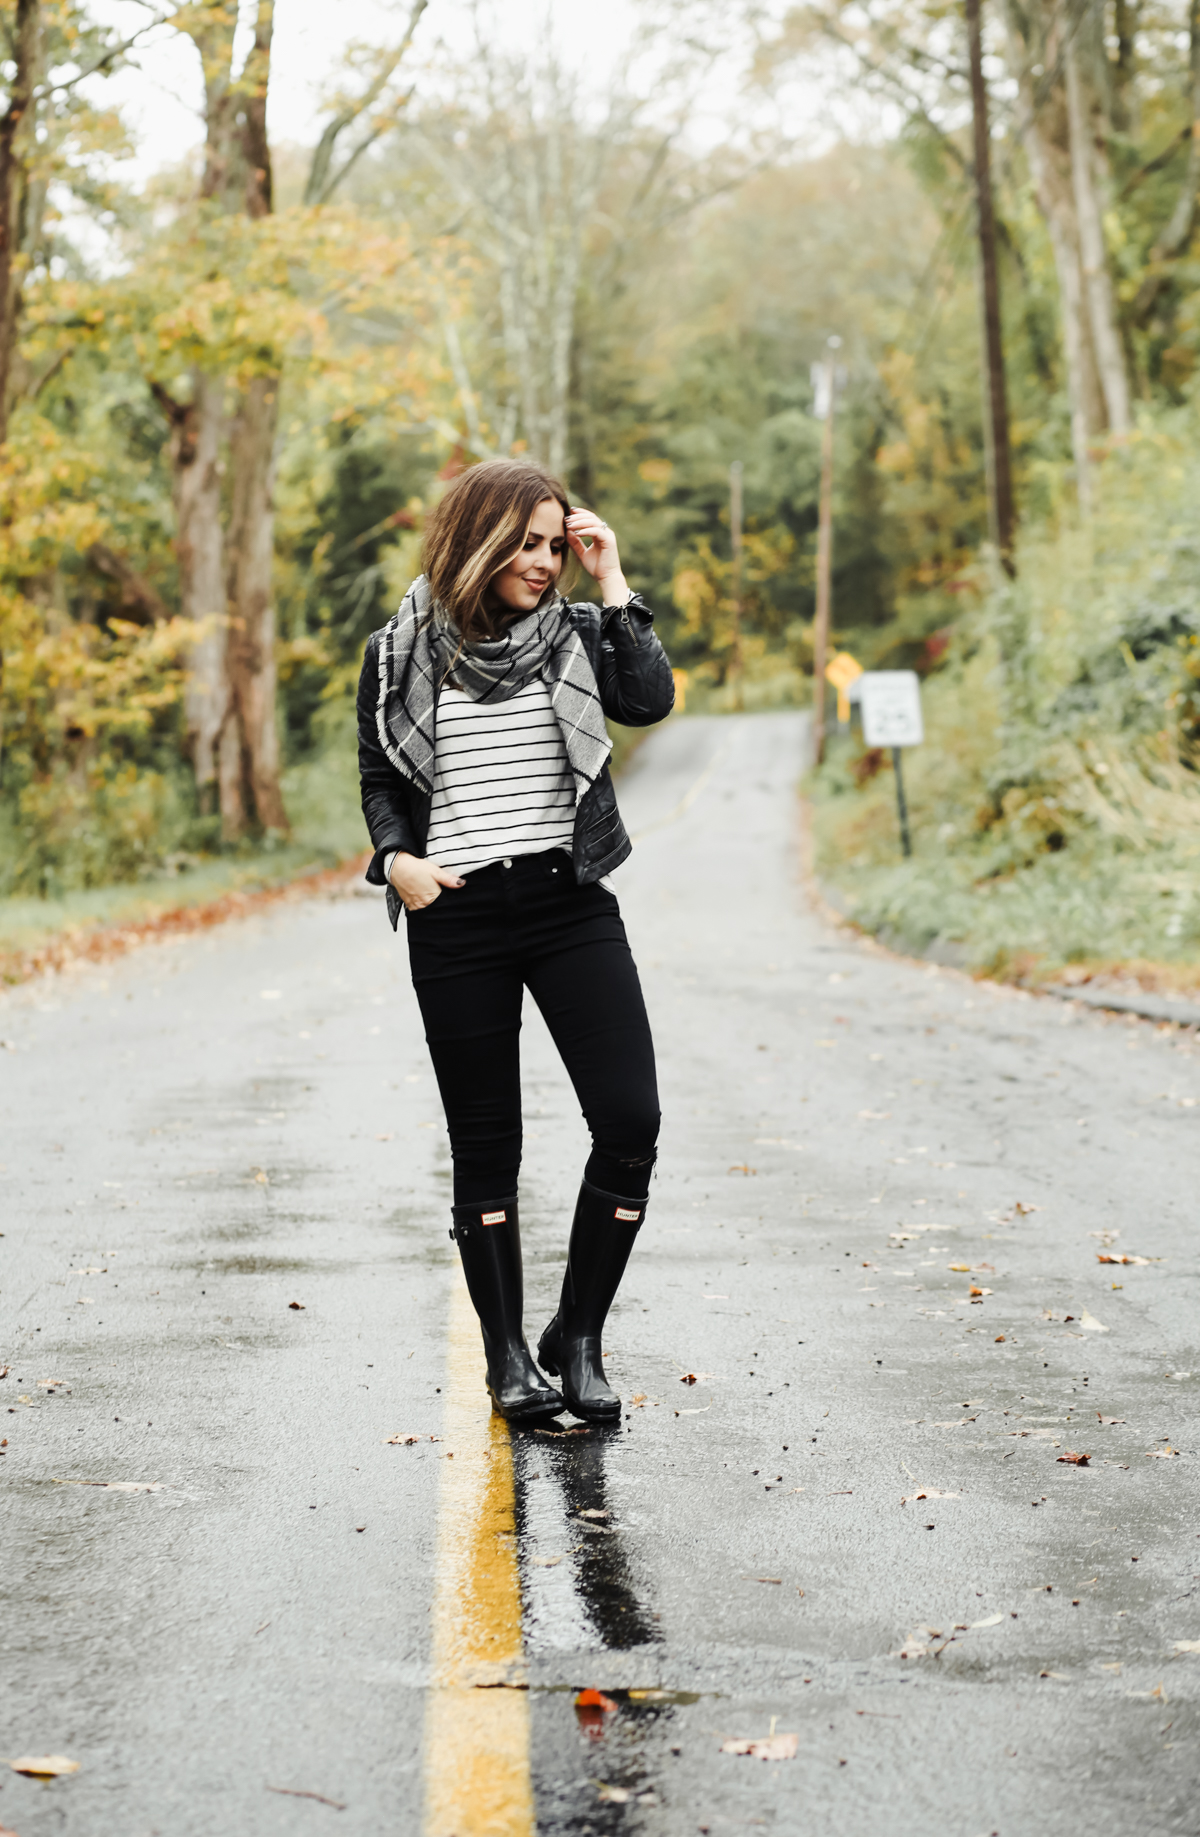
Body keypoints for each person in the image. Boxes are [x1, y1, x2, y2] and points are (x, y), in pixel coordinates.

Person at [357, 457, 674, 1423]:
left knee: (630, 1122)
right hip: (454, 915)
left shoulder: (580, 632)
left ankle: (576, 1340)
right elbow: (379, 773)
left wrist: (612, 575)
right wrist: (395, 860)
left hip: (566, 901)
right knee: (486, 1145)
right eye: (527, 543)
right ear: (480, 537)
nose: (545, 562)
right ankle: (507, 1360)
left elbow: (649, 699)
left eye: (554, 544)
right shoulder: (397, 648)